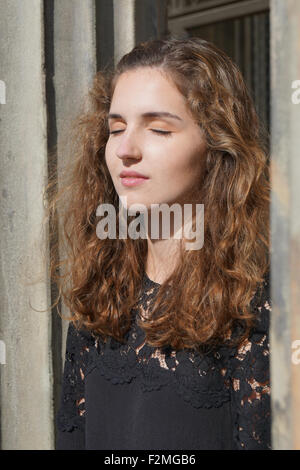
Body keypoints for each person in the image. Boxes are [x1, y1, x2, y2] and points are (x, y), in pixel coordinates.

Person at [49, 37, 271, 450]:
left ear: (216, 144)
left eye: (158, 128)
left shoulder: (257, 311)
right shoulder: (102, 295)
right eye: (116, 128)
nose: (125, 150)